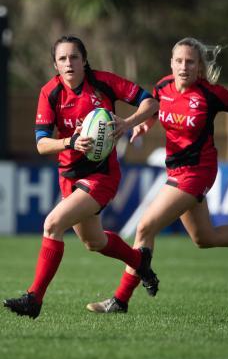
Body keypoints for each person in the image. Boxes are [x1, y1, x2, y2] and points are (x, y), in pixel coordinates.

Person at [86, 37, 228, 314]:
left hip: (199, 171)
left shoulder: (210, 94)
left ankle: (120, 300)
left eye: (190, 61)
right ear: (171, 63)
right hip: (176, 169)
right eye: (179, 61)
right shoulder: (162, 87)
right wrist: (145, 125)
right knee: (204, 238)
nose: (184, 66)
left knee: (145, 226)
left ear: (199, 67)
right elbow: (154, 109)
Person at [3, 35, 160, 319]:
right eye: (62, 58)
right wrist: (70, 142)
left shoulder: (103, 82)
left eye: (74, 57)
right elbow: (41, 143)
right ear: (55, 64)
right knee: (94, 242)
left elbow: (150, 102)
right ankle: (140, 261)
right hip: (69, 174)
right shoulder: (50, 92)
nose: (69, 63)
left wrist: (127, 122)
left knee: (52, 224)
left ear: (84, 60)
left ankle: (34, 299)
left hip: (102, 174)